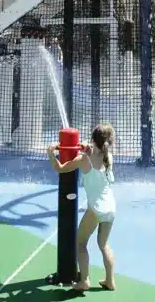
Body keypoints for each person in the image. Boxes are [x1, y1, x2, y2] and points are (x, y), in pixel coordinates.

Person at [46, 124, 117, 293]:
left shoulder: (83, 159)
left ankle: (84, 281)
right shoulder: (109, 156)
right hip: (110, 207)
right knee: (104, 245)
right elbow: (95, 153)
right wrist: (88, 148)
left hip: (96, 209)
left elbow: (60, 168)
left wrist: (51, 154)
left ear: (93, 140)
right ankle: (110, 281)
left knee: (80, 243)